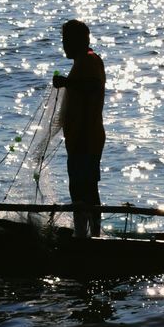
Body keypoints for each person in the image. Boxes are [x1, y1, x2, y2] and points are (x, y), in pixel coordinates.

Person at [52, 19, 106, 238]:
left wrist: (67, 83)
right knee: (78, 188)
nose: (64, 46)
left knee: (87, 188)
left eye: (66, 41)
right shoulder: (80, 63)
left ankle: (91, 237)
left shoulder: (91, 60)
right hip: (78, 139)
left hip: (87, 137)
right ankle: (82, 233)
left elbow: (93, 86)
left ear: (79, 41)